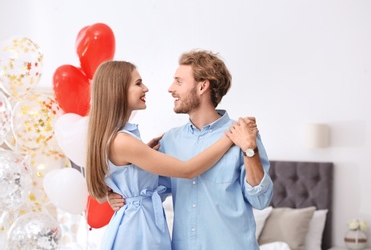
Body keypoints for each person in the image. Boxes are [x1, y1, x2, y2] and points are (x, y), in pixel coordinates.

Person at [85, 60, 258, 250]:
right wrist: (231, 136)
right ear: (117, 90)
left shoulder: (125, 139)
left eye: (179, 81)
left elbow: (145, 183)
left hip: (143, 225)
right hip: (137, 230)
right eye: (138, 83)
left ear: (203, 86)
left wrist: (122, 192)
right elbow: (187, 170)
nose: (146, 88)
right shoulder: (124, 141)